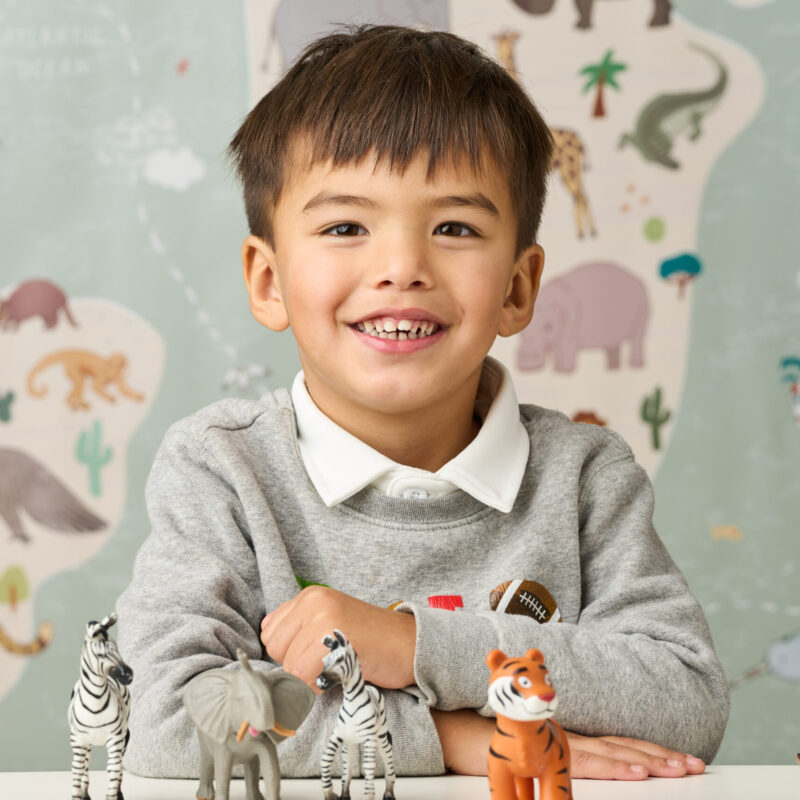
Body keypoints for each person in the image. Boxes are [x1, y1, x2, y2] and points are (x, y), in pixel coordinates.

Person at [116, 24, 729, 781]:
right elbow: (169, 723)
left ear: (517, 288)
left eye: (454, 227)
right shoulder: (222, 469)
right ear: (268, 282)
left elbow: (686, 702)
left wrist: (411, 645)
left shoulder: (583, 477)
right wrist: (460, 740)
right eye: (346, 226)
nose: (402, 266)